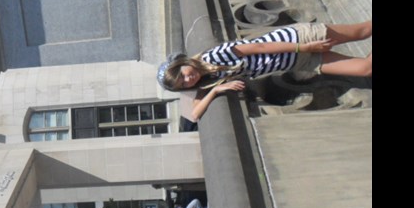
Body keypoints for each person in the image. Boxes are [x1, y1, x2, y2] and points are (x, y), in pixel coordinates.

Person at [158, 20, 371, 121]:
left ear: (183, 63)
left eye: (183, 74)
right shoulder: (210, 79)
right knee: (365, 69)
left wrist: (305, 47)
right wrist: (215, 91)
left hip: (298, 40)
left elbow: (260, 47)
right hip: (300, 62)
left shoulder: (213, 57)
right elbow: (194, 115)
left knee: (361, 32)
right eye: (183, 84)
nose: (188, 79)